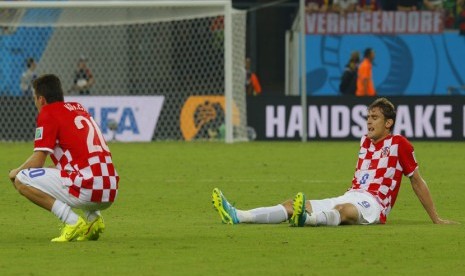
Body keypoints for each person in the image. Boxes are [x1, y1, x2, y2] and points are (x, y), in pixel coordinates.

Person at [212, 98, 456, 227]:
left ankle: (305, 221)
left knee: (345, 213)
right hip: (352, 194)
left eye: (375, 118)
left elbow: (417, 181)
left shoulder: (399, 144)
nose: (369, 122)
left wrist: (435, 218)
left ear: (389, 123)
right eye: (368, 117)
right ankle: (239, 215)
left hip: (375, 204)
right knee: (295, 204)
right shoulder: (364, 142)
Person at [8, 74, 119, 242]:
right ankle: (93, 220)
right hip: (110, 188)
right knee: (62, 172)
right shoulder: (78, 107)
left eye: (35, 99)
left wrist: (15, 172)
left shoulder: (48, 113)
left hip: (88, 189)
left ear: (42, 99)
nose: (35, 103)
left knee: (22, 179)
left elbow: (38, 161)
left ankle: (72, 222)